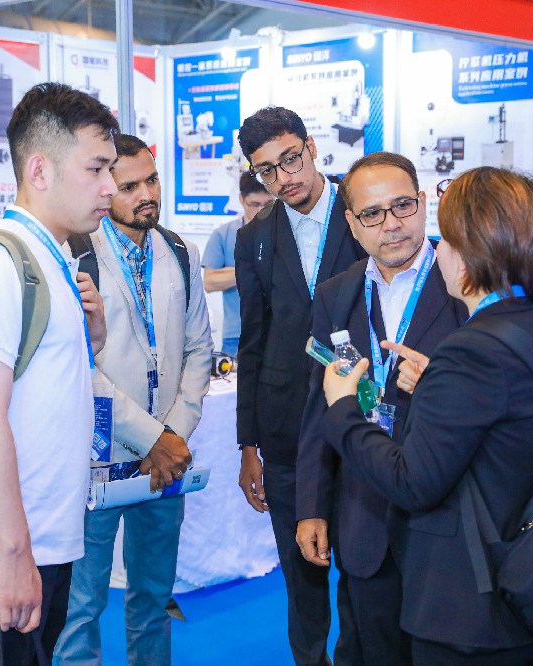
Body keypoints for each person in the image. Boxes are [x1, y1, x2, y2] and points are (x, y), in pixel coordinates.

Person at [321, 167, 533, 664]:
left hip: (475, 606)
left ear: (469, 255)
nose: (436, 250)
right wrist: (439, 387)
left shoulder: (471, 350)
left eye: (446, 239)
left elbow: (412, 482)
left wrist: (343, 409)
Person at [0, 83, 118, 665]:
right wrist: (12, 553)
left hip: (42, 541)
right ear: (39, 170)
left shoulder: (54, 260)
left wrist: (94, 338)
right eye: (96, 168)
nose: (110, 186)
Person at [295, 152, 466, 665]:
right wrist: (312, 506)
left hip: (446, 520)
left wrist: (439, 383)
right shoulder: (336, 294)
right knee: (369, 648)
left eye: (403, 206)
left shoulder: (465, 284)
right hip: (363, 516)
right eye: (372, 213)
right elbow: (319, 406)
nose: (391, 224)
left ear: (424, 204)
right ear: (352, 223)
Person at [55, 134, 213, 666]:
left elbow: (199, 350)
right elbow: (80, 367)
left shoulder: (181, 252)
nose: (146, 194)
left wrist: (173, 436)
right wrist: (153, 438)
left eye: (152, 180)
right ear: (105, 188)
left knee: (153, 599)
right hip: (95, 458)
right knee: (81, 606)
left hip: (164, 463)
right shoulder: (76, 255)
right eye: (129, 186)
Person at [234, 106, 367, 665]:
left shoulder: (364, 213)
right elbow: (252, 340)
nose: (283, 177)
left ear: (311, 147)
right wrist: (248, 443)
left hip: (363, 417)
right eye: (266, 170)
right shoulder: (254, 238)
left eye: (290, 159)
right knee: (301, 574)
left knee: (365, 569)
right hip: (285, 426)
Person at [203, 172, 275, 357]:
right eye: (255, 204)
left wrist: (231, 273)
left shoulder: (285, 232)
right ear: (241, 200)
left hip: (279, 331)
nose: (261, 210)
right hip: (237, 334)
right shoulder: (223, 234)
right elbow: (210, 282)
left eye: (268, 204)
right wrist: (256, 268)